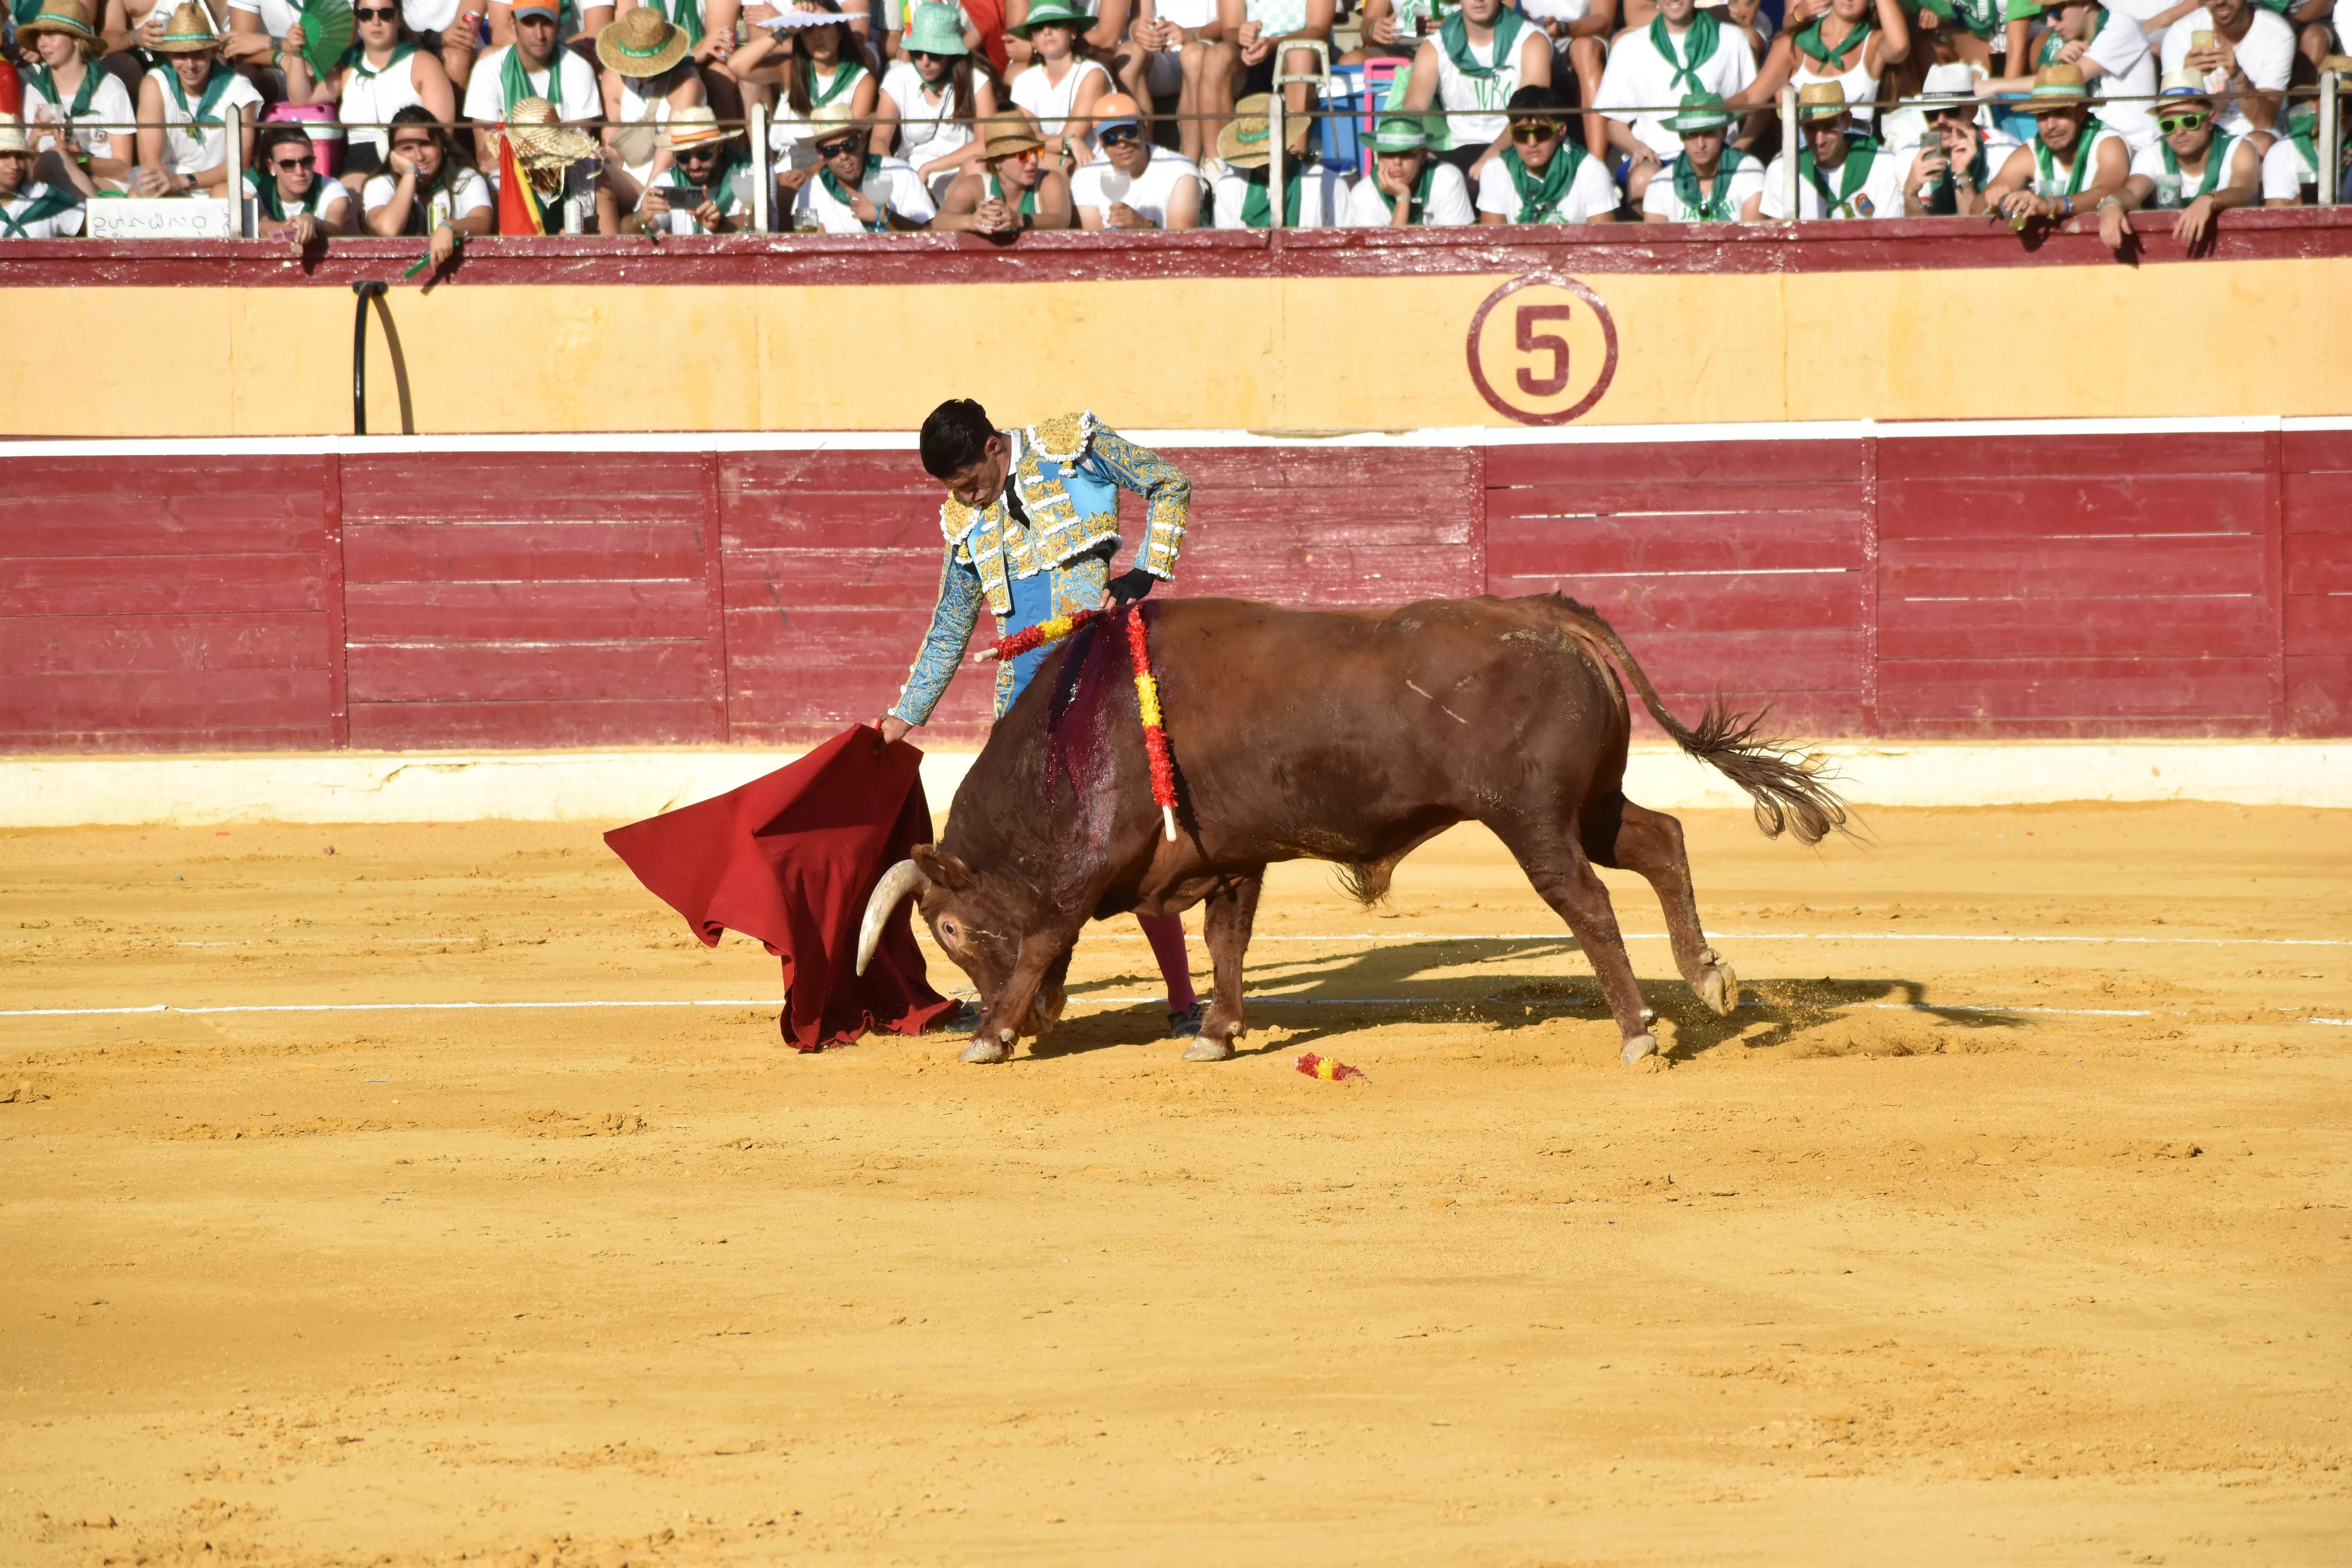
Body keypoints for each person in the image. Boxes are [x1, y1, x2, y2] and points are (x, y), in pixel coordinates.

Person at [876, 397, 1208, 1044]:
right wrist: (903, 717)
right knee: (1019, 864)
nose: (970, 498)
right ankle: (1025, 995)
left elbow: (1170, 483)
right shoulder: (965, 525)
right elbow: (951, 625)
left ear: (996, 446)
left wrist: (1146, 570)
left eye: (972, 481)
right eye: (956, 490)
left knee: (1130, 846)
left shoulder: (1072, 449)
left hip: (1097, 686)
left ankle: (1182, 997)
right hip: (1020, 713)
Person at [278, 0, 459, 186]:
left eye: (386, 14)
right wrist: (298, 53)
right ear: (357, 20)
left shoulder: (424, 64)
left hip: (413, 157)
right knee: (345, 202)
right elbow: (302, 98)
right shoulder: (348, 64)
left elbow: (443, 134)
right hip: (360, 162)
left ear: (399, 19)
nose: (376, 22)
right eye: (366, 15)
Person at [1595, 0, 1757, 203]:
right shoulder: (1630, 45)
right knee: (1643, 181)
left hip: (1717, 155)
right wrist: (1636, 147)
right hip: (1657, 158)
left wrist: (1740, 146)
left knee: (1751, 180)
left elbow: (1758, 109)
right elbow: (1613, 122)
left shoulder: (1732, 39)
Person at [2097, 65, 2261, 245]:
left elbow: (2244, 190)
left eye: (2190, 121)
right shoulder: (2152, 154)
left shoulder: (2240, 147)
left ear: (2211, 119)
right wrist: (2112, 204)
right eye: (2169, 125)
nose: (2180, 132)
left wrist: (2210, 201)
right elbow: (2132, 192)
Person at [1400, 0, 1551, 181]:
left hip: (1516, 149)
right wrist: (1421, 155)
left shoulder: (1532, 41)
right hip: (1456, 154)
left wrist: (1490, 157)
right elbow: (1413, 108)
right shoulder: (1435, 46)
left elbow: (1531, 112)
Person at [1984, 0, 2158, 149]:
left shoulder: (2121, 26)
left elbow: (2066, 81)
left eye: (2055, 13)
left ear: (2085, 4)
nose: (2051, 23)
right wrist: (2059, 62)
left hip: (2135, 144)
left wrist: (1993, 86)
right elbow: (2055, 88)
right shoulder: (2069, 39)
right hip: (2094, 144)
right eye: (2046, 15)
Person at [740, 0, 876, 188]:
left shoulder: (861, 80)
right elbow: (738, 66)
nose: (817, 37)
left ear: (840, 32)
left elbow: (855, 142)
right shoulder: (791, 69)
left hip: (832, 166)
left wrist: (811, 171)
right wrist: (785, 31)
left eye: (825, 27)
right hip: (782, 166)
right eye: (808, 29)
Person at [135, 2, 263, 199]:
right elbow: (151, 164)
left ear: (213, 52)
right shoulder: (155, 84)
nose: (190, 65)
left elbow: (239, 164)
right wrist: (173, 186)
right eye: (181, 55)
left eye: (198, 54)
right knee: (138, 195)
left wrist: (186, 181)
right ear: (169, 55)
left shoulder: (240, 90)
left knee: (228, 196)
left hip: (222, 184)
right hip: (170, 182)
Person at [461, 0, 602, 174]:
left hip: (565, 175)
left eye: (547, 23)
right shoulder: (488, 70)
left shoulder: (579, 69)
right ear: (513, 24)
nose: (539, 35)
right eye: (529, 23)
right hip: (509, 178)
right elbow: (486, 159)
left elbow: (578, 149)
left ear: (558, 26)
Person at [875, 4, 998, 198]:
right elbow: (879, 140)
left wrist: (929, 168)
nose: (925, 61)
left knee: (978, 165)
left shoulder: (978, 80)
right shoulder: (898, 77)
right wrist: (898, 175)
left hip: (959, 174)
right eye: (917, 52)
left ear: (951, 52)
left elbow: (986, 144)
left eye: (934, 54)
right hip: (908, 173)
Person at [596, 4, 704, 223]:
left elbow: (668, 154)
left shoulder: (687, 83)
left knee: (650, 217)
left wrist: (643, 204)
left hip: (676, 183)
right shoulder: (612, 79)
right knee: (592, 173)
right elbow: (614, 146)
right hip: (631, 179)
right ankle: (607, 251)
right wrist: (602, 156)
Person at [1978, 61, 2129, 219]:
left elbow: (2108, 192)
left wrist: (2051, 205)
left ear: (2082, 113)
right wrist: (1991, 201)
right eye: (2042, 115)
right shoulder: (2030, 153)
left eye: (2060, 113)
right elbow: (1975, 208)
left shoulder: (2108, 143)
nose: (2051, 125)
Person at [16, 0, 133, 194]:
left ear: (77, 38)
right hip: (49, 187)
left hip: (103, 185)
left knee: (57, 161)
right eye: (39, 35)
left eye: (51, 34)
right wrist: (34, 139)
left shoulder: (109, 88)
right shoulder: (35, 91)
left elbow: (124, 169)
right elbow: (27, 170)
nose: (42, 43)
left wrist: (81, 159)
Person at [1743, 0, 1907, 134]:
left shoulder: (1874, 42)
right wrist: (1718, 117)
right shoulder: (1792, 43)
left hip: (1859, 150)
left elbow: (1900, 48)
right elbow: (1752, 97)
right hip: (1806, 152)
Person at [363, 100, 494, 264]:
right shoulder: (380, 184)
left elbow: (483, 222)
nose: (419, 157)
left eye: (426, 144)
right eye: (407, 149)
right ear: (393, 155)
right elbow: (388, 230)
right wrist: (409, 174)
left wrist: (451, 227)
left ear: (443, 146)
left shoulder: (466, 179)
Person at [1759, 78, 1905, 216]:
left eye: (1830, 127)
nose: (1820, 140)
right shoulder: (1782, 170)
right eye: (1811, 129)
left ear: (1847, 121)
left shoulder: (1883, 165)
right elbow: (1780, 238)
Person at [1477, 83, 1620, 221]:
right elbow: (1492, 242)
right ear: (1511, 135)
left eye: (1542, 132)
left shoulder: (1591, 171)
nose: (1532, 143)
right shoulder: (1495, 171)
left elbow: (1602, 242)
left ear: (1561, 131)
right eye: (1521, 134)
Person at [788, 97, 938, 226]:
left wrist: (887, 217)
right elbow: (809, 241)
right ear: (821, 154)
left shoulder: (901, 173)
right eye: (831, 151)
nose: (843, 156)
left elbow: (929, 234)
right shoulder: (812, 189)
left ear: (863, 141)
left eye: (849, 145)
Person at [1207, 89, 1349, 225]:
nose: (1263, 166)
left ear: (1287, 144)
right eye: (1256, 159)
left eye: (1268, 156)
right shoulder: (1229, 186)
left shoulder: (1329, 185)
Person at [2156, 0, 2292, 140]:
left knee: (2261, 142)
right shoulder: (2181, 33)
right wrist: (2188, 80)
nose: (2220, 2)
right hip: (2197, 133)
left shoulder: (2276, 33)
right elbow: (2172, 119)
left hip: (2252, 134)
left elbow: (2264, 122)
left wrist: (2238, 75)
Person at [1218, 0, 1333, 162]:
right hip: (1251, 57)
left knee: (1298, 53)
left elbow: (1320, 29)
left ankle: (1294, 159)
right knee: (1217, 58)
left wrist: (1276, 43)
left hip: (1301, 56)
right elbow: (1229, 31)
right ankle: (1219, 163)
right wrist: (1241, 35)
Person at [1898, 64, 2020, 212]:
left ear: (1973, 111)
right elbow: (1918, 231)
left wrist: (1962, 173)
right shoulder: (1908, 156)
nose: (1941, 121)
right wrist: (1911, 195)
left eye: (1951, 111)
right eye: (1932, 114)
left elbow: (1973, 229)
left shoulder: (2005, 150)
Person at [1069, 91, 1201, 227]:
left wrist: (1143, 226)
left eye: (1130, 132)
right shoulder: (1086, 176)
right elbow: (1095, 241)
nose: (1122, 143)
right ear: (1099, 139)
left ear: (1144, 128)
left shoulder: (1179, 170)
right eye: (1110, 137)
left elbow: (1182, 243)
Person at [1006, 0, 1108, 170]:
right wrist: (1067, 142)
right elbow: (1028, 138)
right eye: (1038, 28)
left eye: (1055, 24)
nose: (1047, 32)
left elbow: (1073, 136)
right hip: (1048, 160)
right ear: (1032, 41)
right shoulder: (1024, 80)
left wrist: (1067, 140)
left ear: (1073, 32)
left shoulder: (1093, 74)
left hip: (1093, 165)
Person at [932, 108, 1075, 228]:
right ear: (997, 161)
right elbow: (940, 221)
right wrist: (972, 221)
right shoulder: (976, 185)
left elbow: (1060, 220)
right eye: (1023, 155)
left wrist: (1019, 220)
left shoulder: (1049, 180)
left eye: (1037, 151)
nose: (1034, 160)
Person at [1130, 0, 1229, 166]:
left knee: (1193, 55)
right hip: (1160, 56)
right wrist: (1137, 30)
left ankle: (1189, 164)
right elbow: (1137, 20)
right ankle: (1144, 160)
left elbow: (1230, 24)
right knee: (1129, 57)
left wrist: (1191, 33)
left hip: (1204, 51)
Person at [1641, 86, 1764, 218]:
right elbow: (1655, 237)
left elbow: (1753, 236)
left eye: (1709, 133)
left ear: (1724, 132)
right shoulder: (1661, 184)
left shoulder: (1749, 171)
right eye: (1692, 134)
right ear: (1682, 136)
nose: (1701, 145)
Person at [1340, 110, 1476, 224]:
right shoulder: (1363, 194)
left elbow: (1455, 247)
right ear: (1379, 157)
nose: (1397, 162)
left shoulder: (1448, 179)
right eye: (1388, 153)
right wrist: (1403, 199)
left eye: (1407, 154)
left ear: (1423, 156)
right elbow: (1383, 255)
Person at [633, 101, 754, 228]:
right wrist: (639, 219)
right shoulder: (669, 182)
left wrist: (720, 226)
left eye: (704, 155)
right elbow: (626, 231)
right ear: (674, 156)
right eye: (684, 158)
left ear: (720, 147)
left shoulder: (752, 172)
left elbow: (757, 223)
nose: (695, 165)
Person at [242, 120, 350, 238]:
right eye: (288, 164)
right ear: (271, 166)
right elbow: (259, 227)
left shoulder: (332, 189)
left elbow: (335, 229)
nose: (300, 172)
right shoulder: (252, 185)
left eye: (307, 161)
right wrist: (297, 227)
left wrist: (315, 222)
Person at [0, 113, 85, 235]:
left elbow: (93, 226)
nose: (15, 166)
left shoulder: (46, 197)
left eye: (20, 157)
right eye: (4, 156)